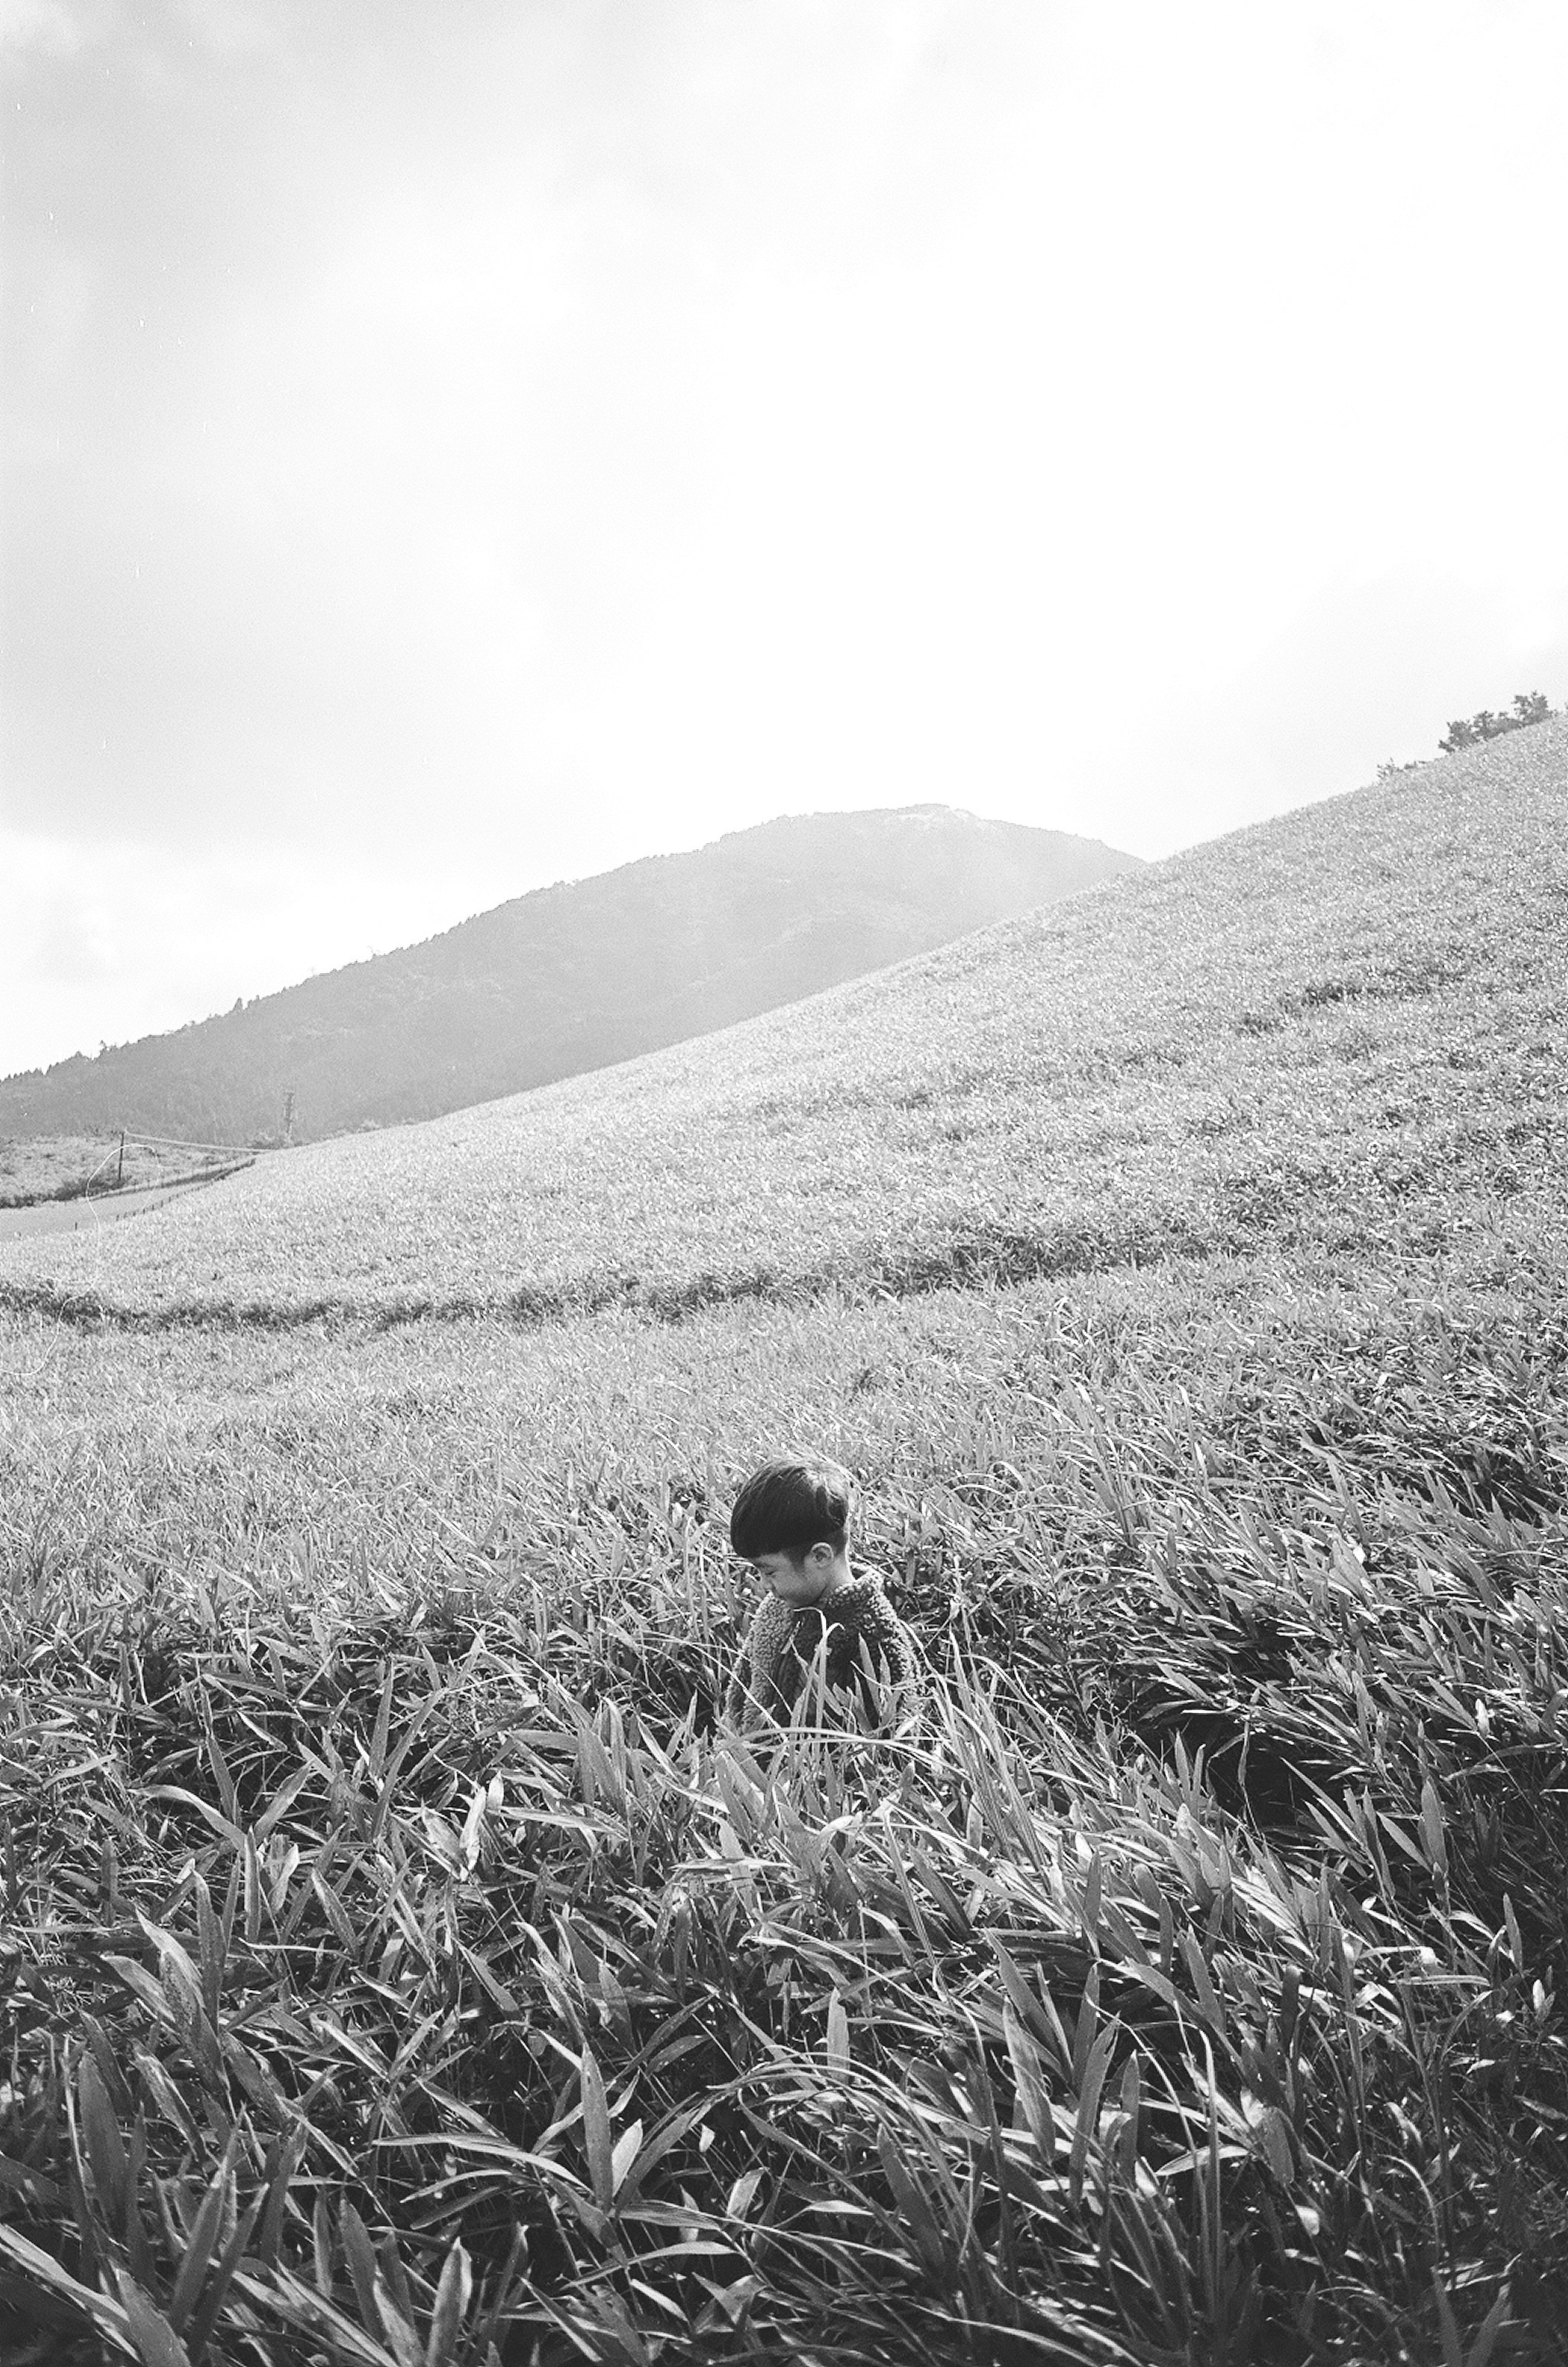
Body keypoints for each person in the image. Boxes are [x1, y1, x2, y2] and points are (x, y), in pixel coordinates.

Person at [724, 1455, 918, 1736]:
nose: (765, 1585)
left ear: (820, 1556)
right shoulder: (777, 1608)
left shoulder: (874, 1635)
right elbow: (742, 1687)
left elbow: (898, 1733)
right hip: (755, 1766)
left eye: (770, 1572)